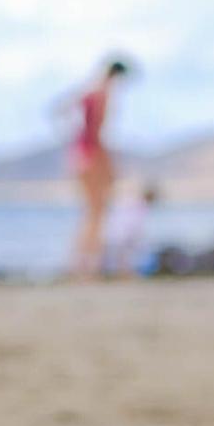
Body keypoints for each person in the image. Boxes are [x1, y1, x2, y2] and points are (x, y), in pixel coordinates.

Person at [56, 55, 135, 279]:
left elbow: (62, 109)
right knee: (97, 211)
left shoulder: (89, 89)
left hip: (79, 154)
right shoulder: (104, 95)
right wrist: (107, 164)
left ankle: (80, 265)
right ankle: (88, 267)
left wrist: (73, 138)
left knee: (91, 211)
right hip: (92, 156)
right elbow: (98, 133)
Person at [105, 181, 161, 277]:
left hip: (116, 231)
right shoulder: (141, 206)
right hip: (123, 234)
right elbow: (134, 224)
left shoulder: (132, 202)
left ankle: (121, 272)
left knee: (120, 255)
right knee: (123, 255)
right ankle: (123, 273)